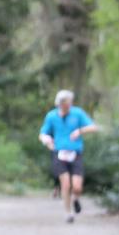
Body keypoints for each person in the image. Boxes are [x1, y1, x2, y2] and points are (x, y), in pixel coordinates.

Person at [38, 90, 99, 223]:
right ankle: (68, 212)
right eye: (65, 103)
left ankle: (75, 199)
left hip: (75, 153)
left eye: (69, 103)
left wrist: (80, 131)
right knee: (65, 184)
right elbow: (43, 133)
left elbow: (93, 127)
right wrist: (47, 141)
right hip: (59, 153)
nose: (68, 106)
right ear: (59, 104)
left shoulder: (77, 113)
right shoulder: (51, 116)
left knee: (77, 187)